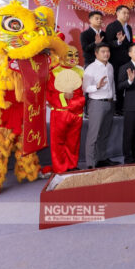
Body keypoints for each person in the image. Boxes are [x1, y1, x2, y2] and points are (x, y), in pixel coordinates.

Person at [47, 45, 85, 173]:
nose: (73, 57)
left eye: (76, 55)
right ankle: (60, 167)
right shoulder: (53, 72)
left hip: (77, 112)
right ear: (62, 56)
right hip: (60, 113)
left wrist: (77, 104)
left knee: (73, 142)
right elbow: (49, 94)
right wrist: (63, 96)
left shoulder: (81, 72)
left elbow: (83, 92)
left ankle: (72, 165)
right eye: (70, 54)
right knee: (58, 142)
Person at [81, 43, 118, 168]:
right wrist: (97, 86)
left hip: (109, 103)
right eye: (103, 51)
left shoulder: (110, 66)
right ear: (96, 54)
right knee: (93, 135)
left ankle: (101, 159)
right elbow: (85, 88)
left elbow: (112, 84)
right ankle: (90, 164)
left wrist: (114, 98)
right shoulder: (90, 68)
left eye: (108, 51)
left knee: (104, 133)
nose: (106, 54)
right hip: (97, 103)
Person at [105, 5, 132, 115]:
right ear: (117, 13)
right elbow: (108, 43)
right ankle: (117, 108)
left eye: (128, 13)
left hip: (127, 61)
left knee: (126, 83)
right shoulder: (112, 26)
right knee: (118, 84)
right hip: (116, 61)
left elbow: (129, 44)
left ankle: (123, 106)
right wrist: (118, 42)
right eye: (124, 13)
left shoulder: (128, 28)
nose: (126, 15)